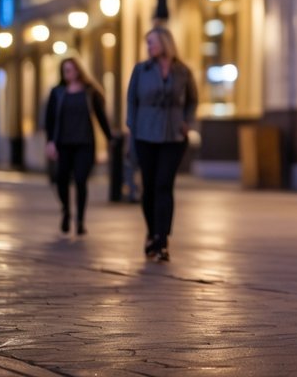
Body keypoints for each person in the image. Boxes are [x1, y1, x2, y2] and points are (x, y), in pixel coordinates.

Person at [126, 26, 197, 262]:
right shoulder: (141, 70)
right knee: (149, 186)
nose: (149, 47)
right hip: (145, 134)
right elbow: (131, 102)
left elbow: (193, 100)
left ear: (165, 43)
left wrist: (188, 121)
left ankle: (162, 239)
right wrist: (133, 130)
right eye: (147, 43)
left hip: (174, 136)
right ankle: (152, 231)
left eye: (152, 42)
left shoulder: (182, 71)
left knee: (164, 185)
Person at [44, 56, 113, 237]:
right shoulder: (57, 92)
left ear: (78, 70)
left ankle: (80, 221)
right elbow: (49, 120)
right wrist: (50, 142)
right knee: (61, 179)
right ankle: (66, 210)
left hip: (85, 144)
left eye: (71, 69)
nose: (69, 73)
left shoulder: (90, 92)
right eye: (65, 70)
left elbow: (101, 117)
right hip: (63, 144)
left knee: (81, 181)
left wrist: (110, 138)